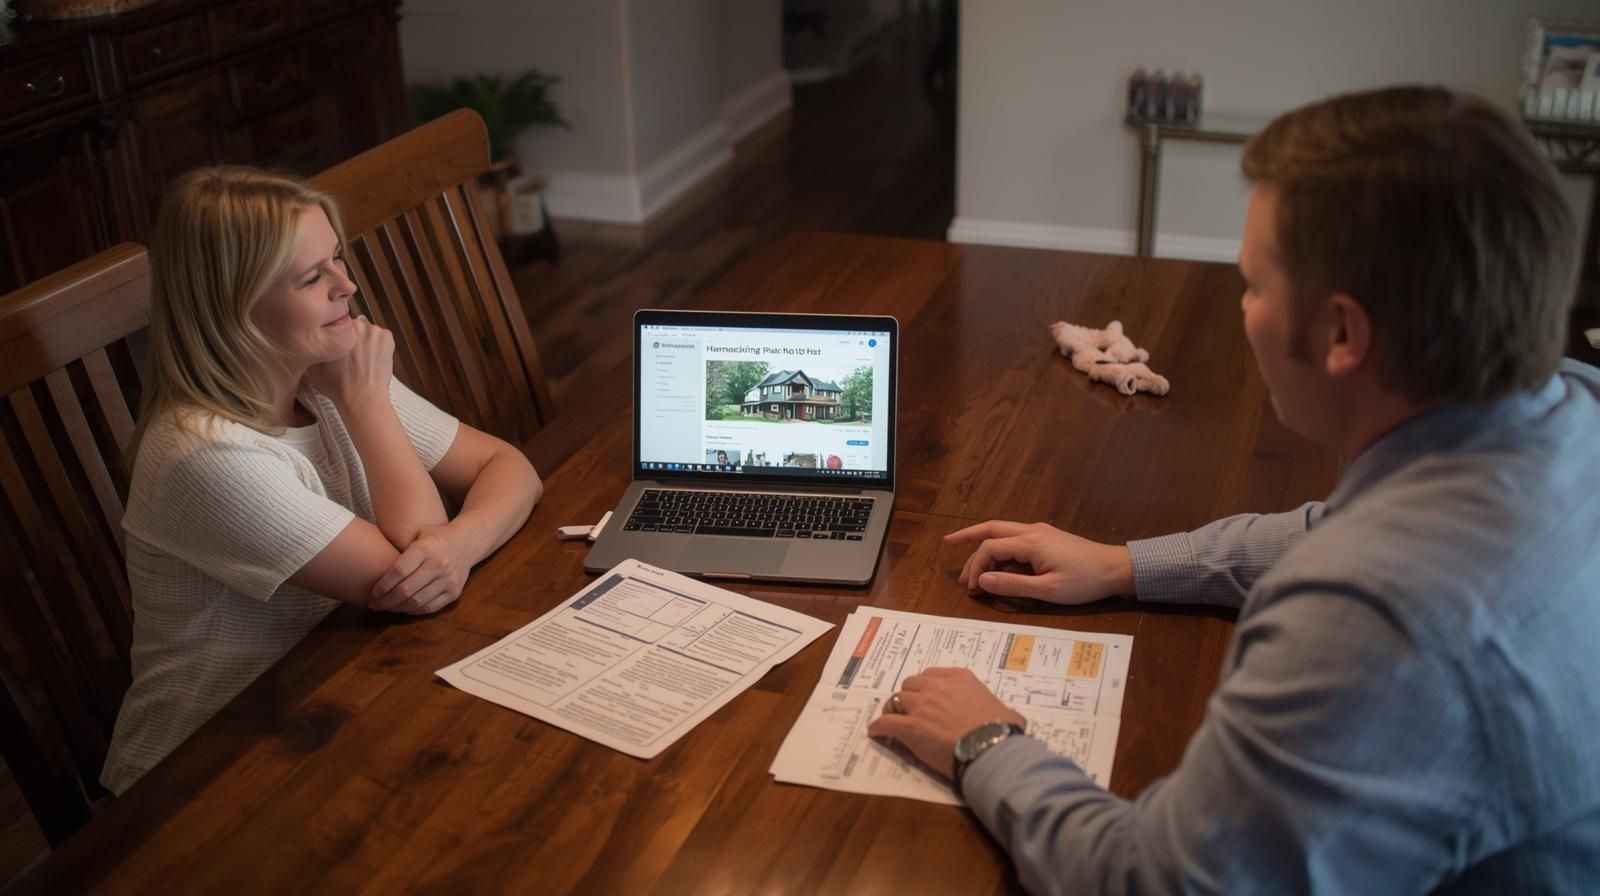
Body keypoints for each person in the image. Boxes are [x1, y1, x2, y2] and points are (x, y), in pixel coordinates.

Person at [868, 86, 1600, 892]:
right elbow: (1327, 527)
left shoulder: (1381, 621)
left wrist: (985, 743)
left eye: (1253, 284)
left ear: (1343, 333)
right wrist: (1124, 563)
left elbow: (1157, 880)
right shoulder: (1565, 405)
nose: (1243, 308)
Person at [102, 167, 543, 794]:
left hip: (331, 700)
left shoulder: (325, 373)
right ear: (235, 306)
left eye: (337, 259)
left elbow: (507, 468)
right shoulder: (204, 455)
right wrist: (369, 408)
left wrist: (460, 545)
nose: (350, 285)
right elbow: (414, 581)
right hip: (199, 778)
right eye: (314, 277)